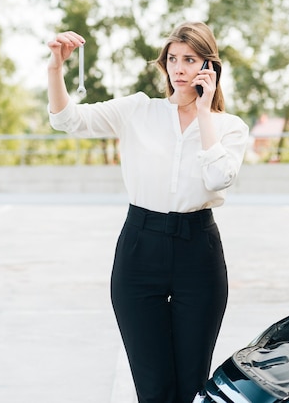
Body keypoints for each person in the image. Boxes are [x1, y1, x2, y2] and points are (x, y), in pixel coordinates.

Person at [46, 22, 250, 403]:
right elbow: (67, 120)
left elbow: (220, 177)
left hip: (198, 251)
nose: (179, 68)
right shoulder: (138, 110)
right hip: (140, 248)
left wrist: (204, 114)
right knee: (153, 388)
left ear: (210, 67)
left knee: (192, 386)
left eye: (190, 59)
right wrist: (56, 67)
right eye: (173, 58)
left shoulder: (229, 127)